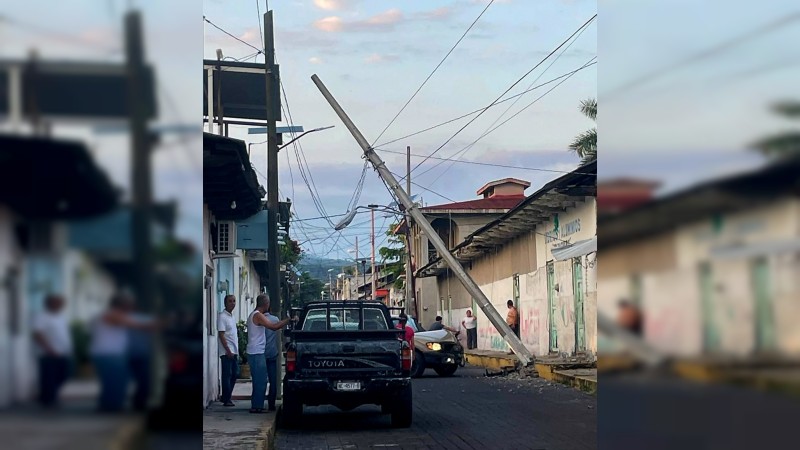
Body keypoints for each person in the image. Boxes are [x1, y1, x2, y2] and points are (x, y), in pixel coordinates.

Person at [90, 293, 158, 412]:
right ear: (123, 305)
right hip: (109, 354)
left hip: (113, 354)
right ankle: (110, 407)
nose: (131, 307)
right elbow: (139, 325)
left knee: (115, 382)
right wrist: (158, 323)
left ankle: (110, 405)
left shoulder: (112, 315)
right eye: (129, 305)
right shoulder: (112, 315)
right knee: (114, 382)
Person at [246, 294, 291, 413]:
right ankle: (257, 406)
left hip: (255, 351)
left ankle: (256, 405)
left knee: (258, 380)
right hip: (257, 352)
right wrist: (288, 319)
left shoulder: (253, 314)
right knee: (261, 381)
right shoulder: (258, 315)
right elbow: (274, 326)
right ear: (266, 304)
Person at [32, 294, 72, 408]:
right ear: (49, 303)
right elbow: (37, 334)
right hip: (48, 354)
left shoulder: (61, 316)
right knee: (49, 378)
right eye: (58, 302)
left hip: (64, 352)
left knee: (63, 376)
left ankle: (48, 396)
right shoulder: (42, 316)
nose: (61, 305)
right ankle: (48, 400)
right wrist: (49, 349)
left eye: (62, 303)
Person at [128, 304, 155, 411]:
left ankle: (138, 402)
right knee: (143, 380)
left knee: (140, 380)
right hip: (140, 353)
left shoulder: (129, 317)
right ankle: (139, 403)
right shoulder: (144, 319)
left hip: (134, 353)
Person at [217, 295, 238, 407]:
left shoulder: (231, 317)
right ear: (225, 303)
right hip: (226, 352)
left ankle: (226, 396)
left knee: (235, 374)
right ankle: (227, 399)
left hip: (234, 351)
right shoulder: (222, 316)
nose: (232, 303)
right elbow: (221, 335)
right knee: (227, 375)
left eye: (234, 301)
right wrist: (228, 350)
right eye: (230, 301)